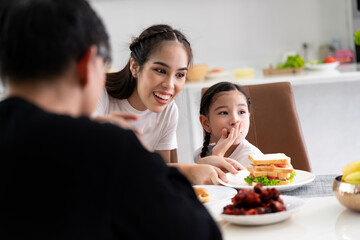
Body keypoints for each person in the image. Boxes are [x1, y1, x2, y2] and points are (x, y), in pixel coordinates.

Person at [0, 0, 222, 239]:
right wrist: (122, 144)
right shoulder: (107, 147)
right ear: (88, 63)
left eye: (180, 74)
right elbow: (200, 231)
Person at [94, 24, 243, 182]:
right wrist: (190, 170)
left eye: (179, 74)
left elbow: (162, 177)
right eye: (160, 70)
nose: (170, 85)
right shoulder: (98, 95)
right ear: (135, 66)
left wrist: (202, 164)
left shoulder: (168, 111)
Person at [194, 81, 263, 167]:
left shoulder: (253, 159)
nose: (235, 120)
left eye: (241, 112)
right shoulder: (200, 155)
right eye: (224, 113)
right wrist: (217, 155)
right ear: (206, 123)